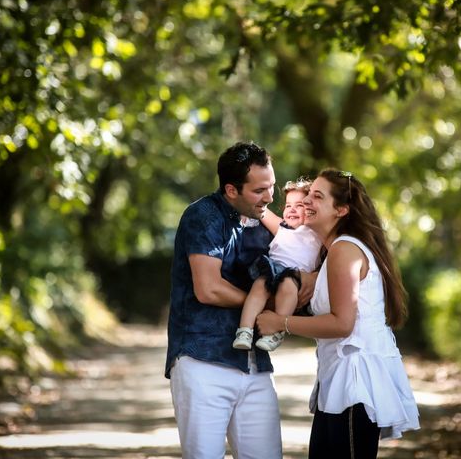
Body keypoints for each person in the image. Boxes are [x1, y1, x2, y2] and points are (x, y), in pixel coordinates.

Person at [256, 168, 420, 458]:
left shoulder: (344, 249)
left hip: (354, 384)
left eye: (317, 196)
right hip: (337, 379)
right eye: (308, 194)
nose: (306, 201)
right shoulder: (335, 252)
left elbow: (342, 324)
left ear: (341, 209)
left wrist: (280, 323)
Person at [164, 142, 314, 459]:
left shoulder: (262, 219)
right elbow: (209, 288)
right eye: (260, 190)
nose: (270, 197)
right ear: (232, 189)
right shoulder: (202, 216)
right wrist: (263, 306)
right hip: (204, 360)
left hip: (256, 366)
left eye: (272, 186)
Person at [233, 177, 323, 352]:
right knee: (259, 286)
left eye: (300, 205)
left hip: (295, 277)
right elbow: (263, 211)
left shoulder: (316, 233)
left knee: (287, 288)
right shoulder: (281, 228)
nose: (292, 209)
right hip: (272, 269)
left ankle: (276, 332)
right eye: (288, 205)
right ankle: (245, 330)